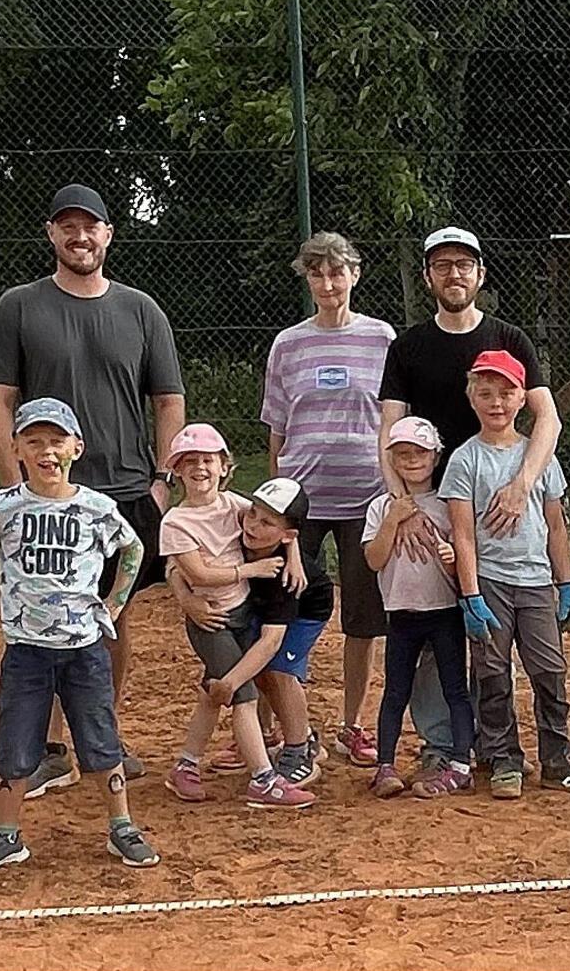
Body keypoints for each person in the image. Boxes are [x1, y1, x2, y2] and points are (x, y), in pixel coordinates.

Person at [0, 183, 186, 788]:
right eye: (67, 226)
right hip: (45, 494)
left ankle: (102, 736)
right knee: (40, 621)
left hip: (123, 491)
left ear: (108, 235)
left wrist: (162, 480)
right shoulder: (19, 306)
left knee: (109, 618)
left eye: (90, 226)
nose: (79, 236)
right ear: (51, 234)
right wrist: (13, 486)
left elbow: (168, 400)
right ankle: (47, 748)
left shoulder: (141, 310)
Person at [377, 226, 563, 769]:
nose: (453, 274)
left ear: (480, 274)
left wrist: (521, 484)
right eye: (442, 265)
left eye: (464, 264)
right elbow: (388, 431)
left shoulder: (510, 339)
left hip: (501, 507)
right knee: (434, 630)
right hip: (437, 506)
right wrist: (404, 507)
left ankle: (491, 743)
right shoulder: (408, 347)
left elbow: (548, 419)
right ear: (428, 277)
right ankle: (444, 745)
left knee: (491, 638)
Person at [0, 398, 159, 874]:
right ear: (17, 449)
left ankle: (122, 826)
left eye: (56, 441)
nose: (46, 452)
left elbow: (133, 549)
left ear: (76, 448)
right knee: (15, 741)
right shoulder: (3, 506)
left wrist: (114, 604)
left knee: (101, 738)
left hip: (83, 649)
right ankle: (6, 834)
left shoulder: (96, 508)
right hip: (26, 650)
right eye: (34, 442)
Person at [440, 350, 570, 800]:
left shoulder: (539, 456)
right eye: (485, 393)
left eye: (506, 393)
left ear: (522, 399)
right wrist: (470, 595)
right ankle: (503, 758)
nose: (496, 403)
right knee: (492, 673)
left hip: (535, 581)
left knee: (549, 671)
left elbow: (556, 525)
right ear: (472, 398)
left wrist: (565, 583)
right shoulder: (465, 460)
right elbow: (462, 534)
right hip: (491, 581)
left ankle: (558, 761)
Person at [261, 232, 395, 767]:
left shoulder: (382, 339)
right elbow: (276, 430)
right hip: (300, 505)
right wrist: (276, 506)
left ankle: (352, 726)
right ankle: (272, 728)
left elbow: (395, 416)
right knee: (279, 612)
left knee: (364, 620)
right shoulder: (288, 344)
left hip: (366, 499)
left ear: (354, 275)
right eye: (316, 273)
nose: (327, 283)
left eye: (337, 272)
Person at [158, 424, 315, 808]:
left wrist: (293, 554)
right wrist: (248, 571)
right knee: (241, 694)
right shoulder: (175, 522)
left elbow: (279, 523)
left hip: (243, 613)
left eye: (208, 461)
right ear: (176, 470)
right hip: (210, 620)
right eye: (189, 462)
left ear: (224, 467)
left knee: (212, 691)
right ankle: (263, 780)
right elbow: (198, 574)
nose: (200, 468)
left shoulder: (234, 505)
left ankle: (186, 765)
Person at [185, 476, 336, 788]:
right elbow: (180, 560)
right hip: (257, 601)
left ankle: (300, 748)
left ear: (287, 535)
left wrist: (230, 683)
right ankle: (266, 737)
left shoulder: (285, 578)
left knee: (278, 672)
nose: (252, 525)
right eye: (252, 513)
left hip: (306, 608)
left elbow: (271, 642)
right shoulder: (238, 530)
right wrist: (186, 598)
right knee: (254, 666)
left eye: (266, 523)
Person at [363, 416, 475, 799]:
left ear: (436, 457)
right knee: (396, 691)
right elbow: (374, 559)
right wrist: (393, 520)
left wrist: (450, 557)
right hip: (401, 614)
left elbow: (460, 566)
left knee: (454, 689)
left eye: (420, 453)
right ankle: (385, 765)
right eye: (403, 454)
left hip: (443, 612)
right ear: (392, 460)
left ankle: (460, 762)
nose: (412, 461)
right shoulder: (381, 507)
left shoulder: (447, 505)